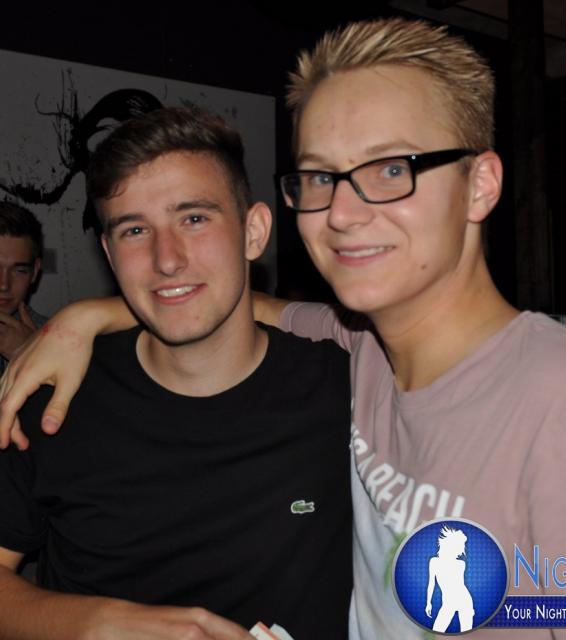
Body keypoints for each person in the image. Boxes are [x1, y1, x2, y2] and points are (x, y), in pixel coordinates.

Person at [1, 17, 566, 640]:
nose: (342, 211)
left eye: (392, 169)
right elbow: (224, 302)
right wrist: (87, 317)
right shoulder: (360, 352)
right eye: (321, 178)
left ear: (480, 185)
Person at [0, 107, 352, 640]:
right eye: (135, 229)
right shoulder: (54, 397)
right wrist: (96, 622)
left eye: (194, 219)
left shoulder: (346, 388)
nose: (166, 259)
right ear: (109, 254)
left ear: (254, 231)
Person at [0, 201, 48, 373]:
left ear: (34, 272)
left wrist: (34, 358)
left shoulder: (57, 339)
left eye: (19, 270)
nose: (4, 285)